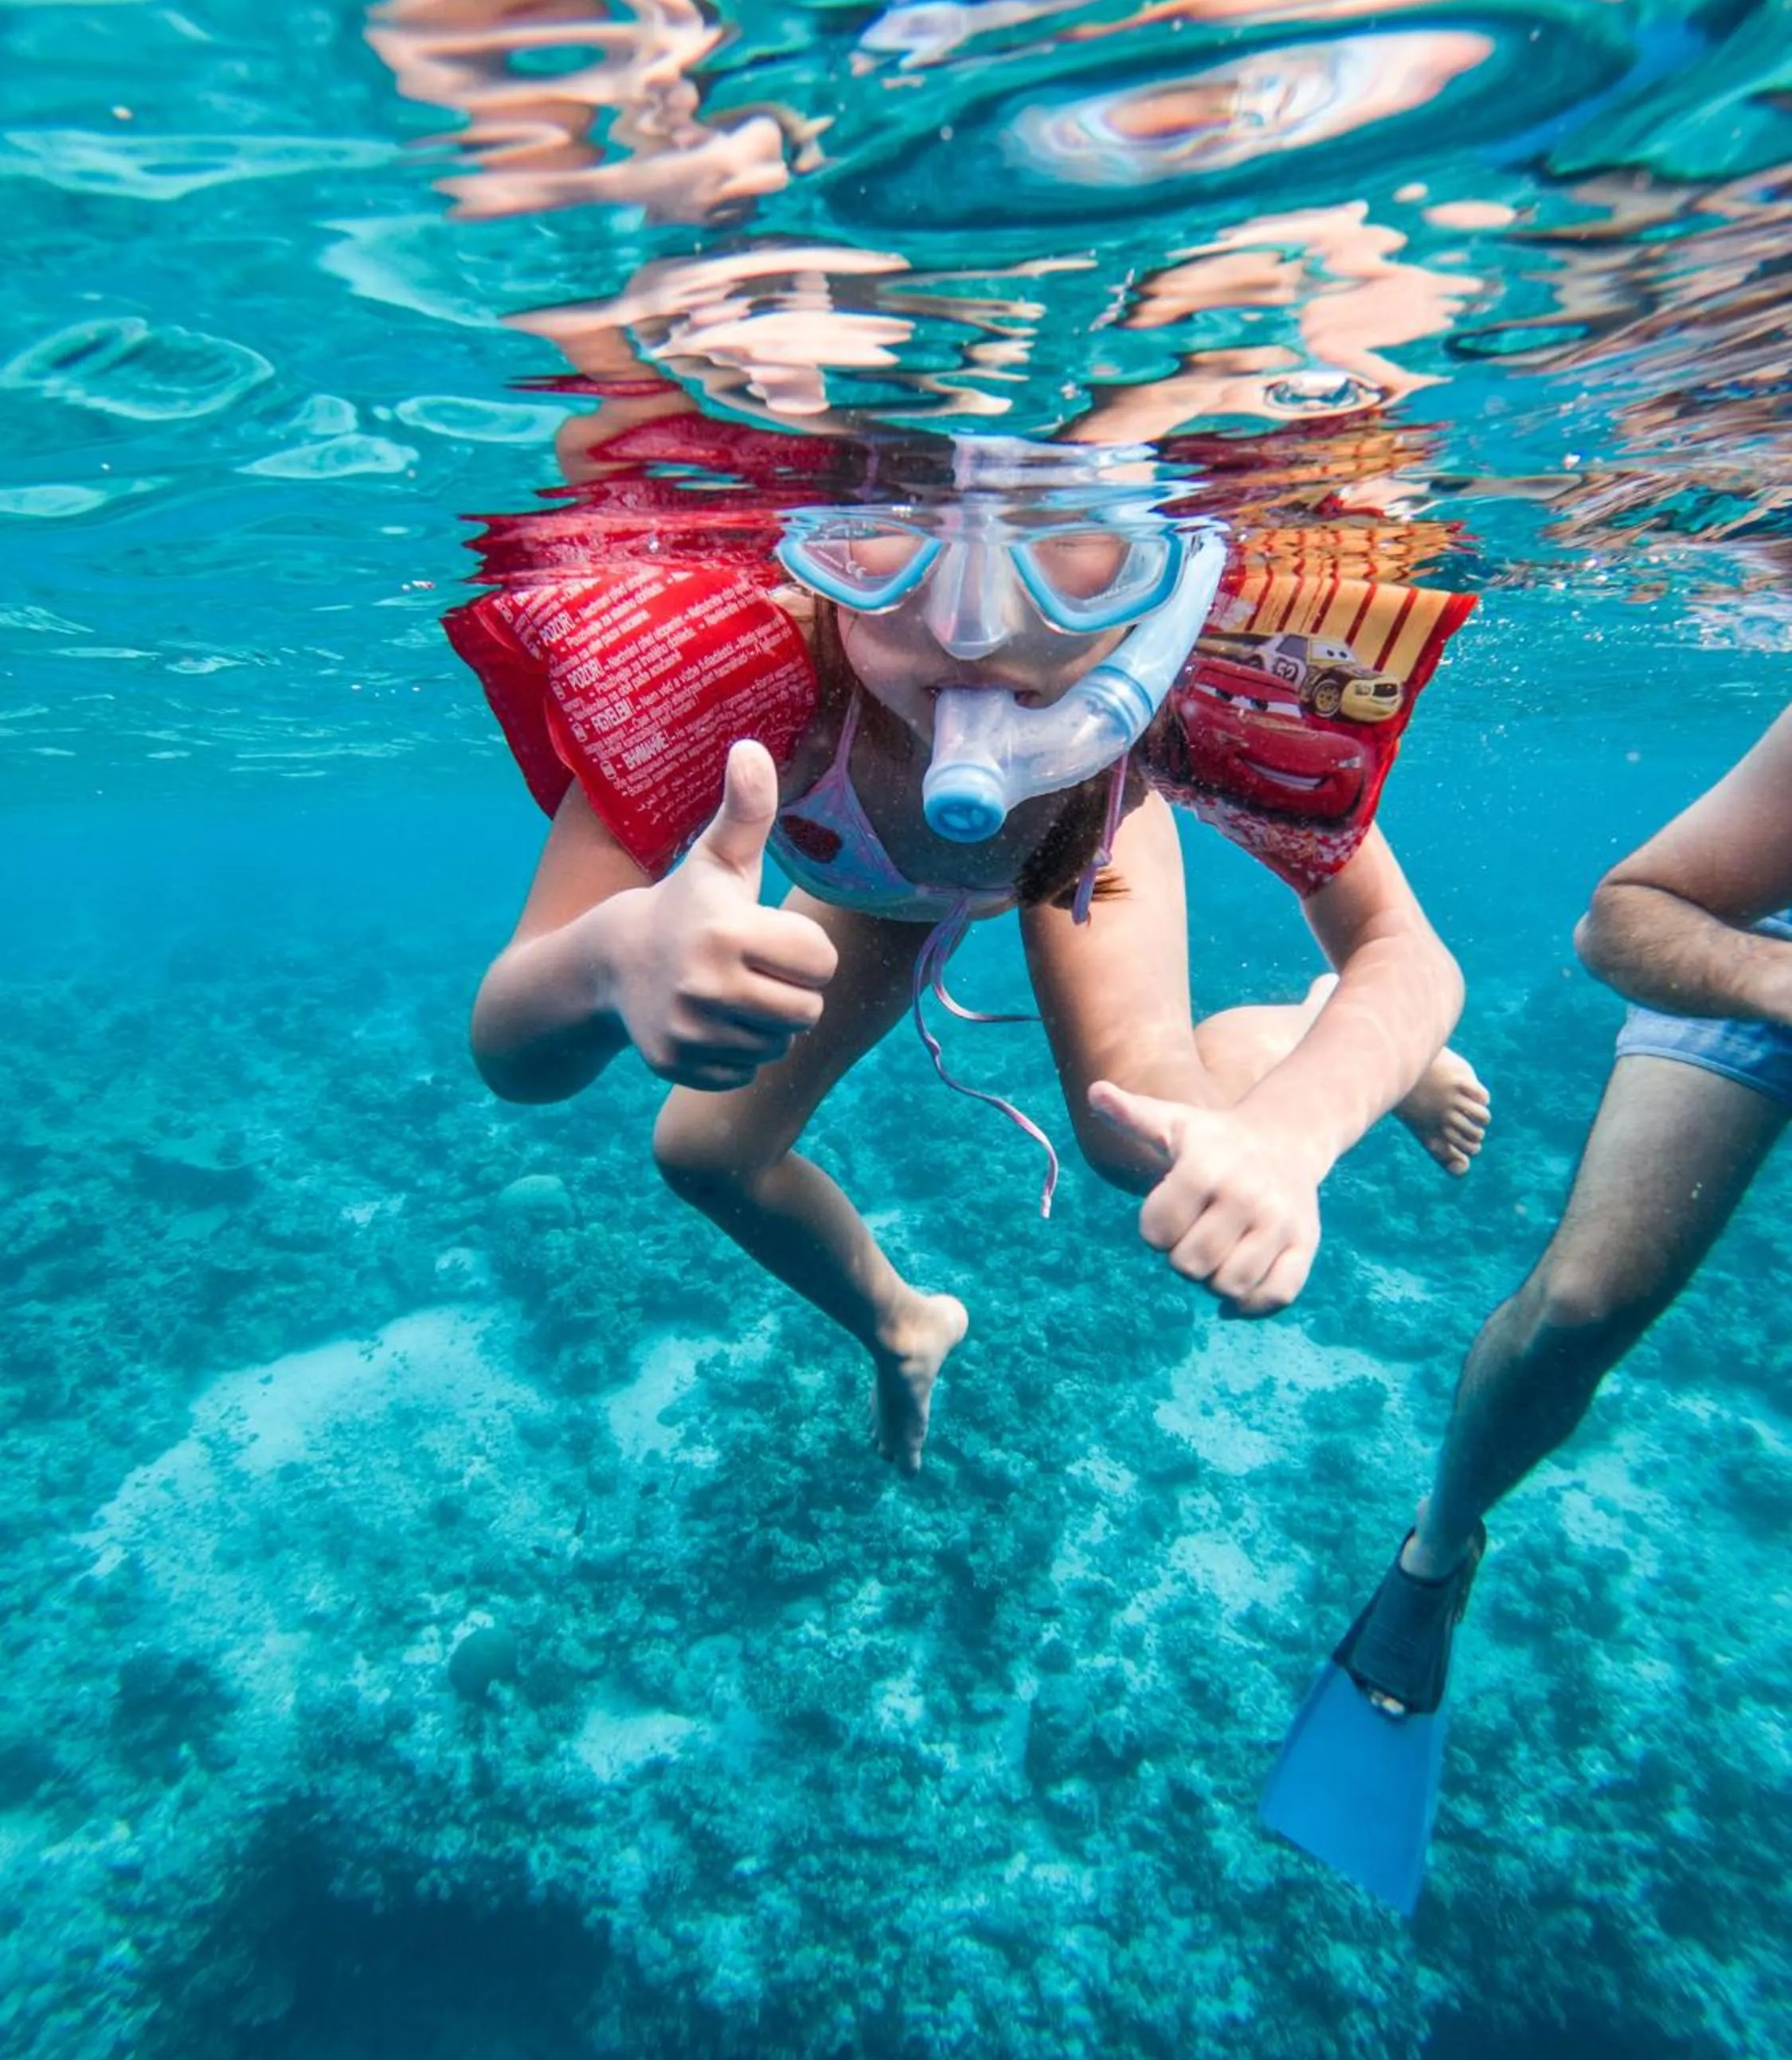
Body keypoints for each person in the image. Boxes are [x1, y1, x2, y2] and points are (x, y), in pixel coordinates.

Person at [462, 436, 1490, 1476]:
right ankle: (901, 1324)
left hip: (1082, 863)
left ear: (1174, 570)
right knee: (703, 1155)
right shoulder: (749, 674)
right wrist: (604, 964)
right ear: (808, 536)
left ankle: (1311, 1033)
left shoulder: (1191, 691)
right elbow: (510, 1055)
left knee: (1138, 1145)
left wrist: (1295, 1132)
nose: (972, 620)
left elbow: (1408, 955)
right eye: (891, 528)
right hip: (868, 886)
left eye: (1064, 534)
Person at [1264, 706, 1792, 1912]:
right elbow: (1622, 922)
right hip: (1757, 948)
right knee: (1576, 1304)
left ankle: (1346, 1045)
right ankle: (1433, 1552)